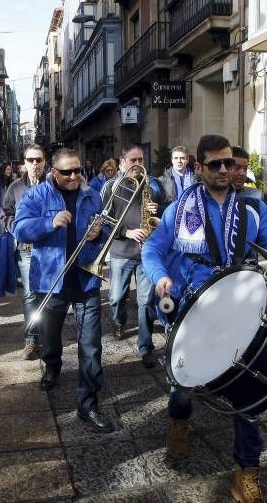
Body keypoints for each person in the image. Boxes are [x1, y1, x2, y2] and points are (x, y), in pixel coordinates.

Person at [142, 134, 267, 503]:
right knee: (182, 383)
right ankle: (178, 425)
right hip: (191, 305)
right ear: (199, 168)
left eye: (229, 163)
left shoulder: (251, 208)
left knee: (249, 389)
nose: (224, 170)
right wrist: (159, 276)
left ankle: (247, 471)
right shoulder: (180, 208)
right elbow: (153, 247)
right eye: (215, 164)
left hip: (238, 303)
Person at [13, 147, 113, 433]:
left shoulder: (91, 194)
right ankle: (52, 364)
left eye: (78, 170)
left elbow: (105, 227)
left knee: (91, 345)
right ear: (53, 172)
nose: (74, 176)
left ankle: (88, 404)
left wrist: (100, 233)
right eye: (67, 171)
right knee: (50, 335)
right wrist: (49, 223)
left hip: (85, 279)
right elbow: (19, 230)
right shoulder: (36, 196)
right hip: (51, 280)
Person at [102, 144, 167, 368]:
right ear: (122, 163)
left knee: (146, 301)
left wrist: (157, 208)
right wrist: (126, 232)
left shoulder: (153, 185)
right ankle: (119, 320)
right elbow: (102, 220)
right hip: (121, 251)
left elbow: (166, 210)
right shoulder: (111, 186)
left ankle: (145, 346)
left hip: (147, 252)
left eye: (141, 160)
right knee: (117, 297)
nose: (138, 164)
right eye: (133, 160)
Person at [0, 146, 47, 360]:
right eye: (31, 160)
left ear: (44, 162)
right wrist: (17, 230)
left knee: (49, 294)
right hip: (26, 249)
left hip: (49, 248)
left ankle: (47, 336)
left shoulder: (53, 184)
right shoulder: (15, 187)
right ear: (24, 162)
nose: (35, 164)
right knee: (29, 295)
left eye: (38, 160)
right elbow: (5, 214)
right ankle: (31, 339)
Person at [232, 146, 267, 227]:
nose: (242, 173)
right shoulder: (210, 197)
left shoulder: (256, 195)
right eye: (237, 168)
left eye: (245, 169)